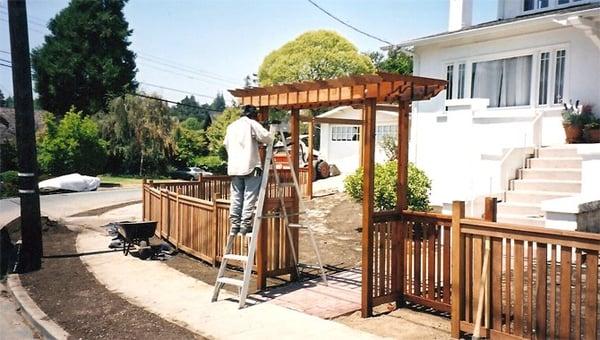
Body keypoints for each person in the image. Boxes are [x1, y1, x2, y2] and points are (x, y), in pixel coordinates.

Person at [223, 105, 273, 236]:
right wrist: (268, 130)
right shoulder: (251, 124)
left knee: (236, 196)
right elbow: (267, 138)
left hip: (234, 168)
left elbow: (226, 144)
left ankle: (235, 225)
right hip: (250, 166)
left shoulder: (231, 126)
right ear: (253, 115)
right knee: (249, 196)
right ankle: (245, 225)